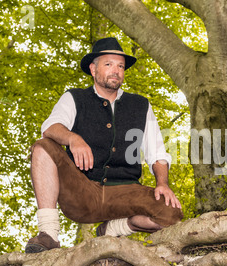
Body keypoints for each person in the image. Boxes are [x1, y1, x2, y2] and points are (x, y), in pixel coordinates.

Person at [25, 37, 183, 253]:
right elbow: (51, 127)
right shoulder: (74, 98)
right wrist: (73, 138)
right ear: (93, 68)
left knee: (171, 214)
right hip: (82, 190)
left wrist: (162, 183)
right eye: (108, 64)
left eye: (120, 66)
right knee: (43, 146)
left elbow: (157, 153)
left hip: (125, 192)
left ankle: (115, 227)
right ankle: (49, 233)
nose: (115, 71)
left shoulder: (140, 105)